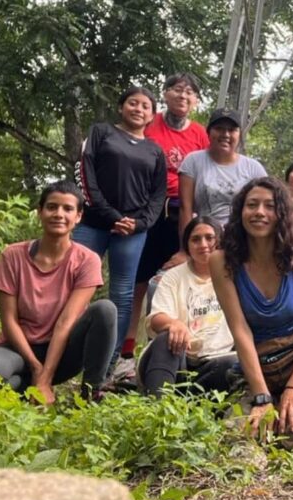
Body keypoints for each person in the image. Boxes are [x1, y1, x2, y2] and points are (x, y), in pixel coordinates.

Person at [210, 177, 293, 446]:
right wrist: (261, 396)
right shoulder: (222, 261)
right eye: (252, 205)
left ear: (282, 214)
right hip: (256, 370)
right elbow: (240, 329)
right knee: (242, 439)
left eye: (269, 206)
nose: (259, 212)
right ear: (240, 212)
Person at [0, 181, 117, 403]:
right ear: (40, 212)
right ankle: (26, 387)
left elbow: (65, 322)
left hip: (64, 351)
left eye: (68, 209)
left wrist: (46, 377)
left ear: (78, 217)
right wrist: (36, 368)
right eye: (52, 207)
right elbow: (9, 321)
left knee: (105, 310)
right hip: (16, 348)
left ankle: (90, 395)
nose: (59, 214)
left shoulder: (87, 260)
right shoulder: (12, 256)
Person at [74, 86, 167, 380]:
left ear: (152, 116)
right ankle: (63, 354)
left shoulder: (155, 151)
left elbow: (158, 195)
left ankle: (106, 368)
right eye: (133, 103)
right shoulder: (101, 133)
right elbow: (85, 176)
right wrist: (112, 216)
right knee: (72, 285)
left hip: (132, 232)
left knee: (123, 295)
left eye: (145, 106)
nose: (138, 109)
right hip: (93, 224)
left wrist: (139, 224)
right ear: (121, 107)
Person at [126, 73, 210, 365]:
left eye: (189, 92)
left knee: (183, 280)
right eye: (176, 90)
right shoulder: (150, 124)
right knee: (138, 281)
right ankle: (125, 351)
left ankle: (182, 351)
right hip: (147, 211)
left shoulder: (200, 134)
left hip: (183, 214)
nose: (182, 96)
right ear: (165, 93)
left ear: (195, 100)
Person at [138, 216, 237, 397]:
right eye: (195, 239)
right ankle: (156, 407)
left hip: (217, 361)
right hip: (178, 359)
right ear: (187, 245)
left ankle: (189, 403)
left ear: (220, 241)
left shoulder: (234, 275)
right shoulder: (173, 277)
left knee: (234, 364)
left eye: (209, 238)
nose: (203, 244)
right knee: (166, 339)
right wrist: (174, 324)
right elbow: (156, 318)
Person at [178, 107, 267, 232]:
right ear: (208, 132)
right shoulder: (193, 161)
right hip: (206, 235)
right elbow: (185, 209)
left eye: (232, 130)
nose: (225, 134)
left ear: (240, 135)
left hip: (243, 235)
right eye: (219, 128)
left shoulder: (254, 168)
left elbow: (267, 206)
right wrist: (185, 243)